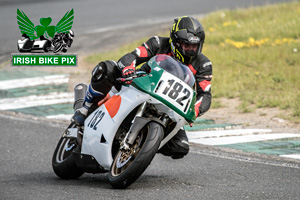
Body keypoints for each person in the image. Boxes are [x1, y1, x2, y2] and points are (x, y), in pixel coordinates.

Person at [72, 16, 212, 159]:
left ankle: (141, 146)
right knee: (107, 68)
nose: (190, 50)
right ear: (174, 41)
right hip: (139, 85)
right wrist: (128, 68)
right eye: (186, 45)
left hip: (168, 105)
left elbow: (205, 94)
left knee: (180, 146)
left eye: (194, 46)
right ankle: (85, 107)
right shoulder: (158, 43)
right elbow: (132, 56)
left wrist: (195, 110)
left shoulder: (204, 65)